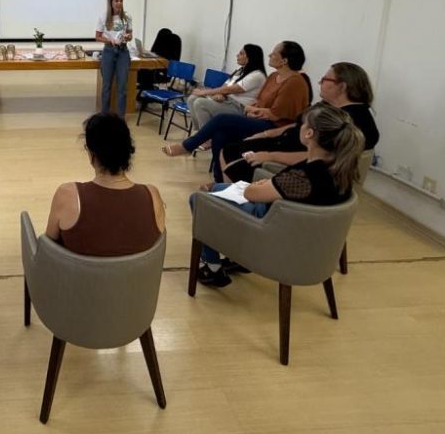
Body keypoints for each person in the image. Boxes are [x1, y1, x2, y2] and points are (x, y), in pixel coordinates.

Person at [192, 103, 364, 288]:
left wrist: (261, 186)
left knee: (199, 199)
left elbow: (252, 193)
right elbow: (282, 188)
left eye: (303, 124)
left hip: (272, 230)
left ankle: (212, 266)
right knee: (218, 187)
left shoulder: (305, 177)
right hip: (298, 231)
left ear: (309, 134)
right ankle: (238, 258)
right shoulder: (340, 168)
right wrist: (268, 185)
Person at [162, 41, 311, 178]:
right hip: (256, 117)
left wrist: (254, 110)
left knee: (220, 119)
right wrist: (253, 108)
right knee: (220, 134)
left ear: (285, 61)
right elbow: (259, 100)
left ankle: (188, 145)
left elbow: (277, 115)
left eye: (274, 53)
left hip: (275, 127)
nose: (270, 55)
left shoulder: (294, 82)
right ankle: (219, 179)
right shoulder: (273, 76)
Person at [219, 62, 379, 184]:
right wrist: (266, 134)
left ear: (342, 86)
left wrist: (270, 155)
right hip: (283, 143)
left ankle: (235, 199)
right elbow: (298, 125)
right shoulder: (329, 106)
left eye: (325, 79)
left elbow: (323, 158)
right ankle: (226, 193)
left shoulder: (352, 120)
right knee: (229, 147)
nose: (319, 83)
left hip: (292, 159)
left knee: (232, 151)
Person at [46, 113, 165, 256]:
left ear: (92, 155)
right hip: (135, 278)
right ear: (128, 152)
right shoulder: (153, 196)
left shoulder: (67, 195)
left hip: (78, 278)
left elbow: (47, 250)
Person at [186, 44, 267, 130]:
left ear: (249, 57)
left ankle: (205, 138)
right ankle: (200, 133)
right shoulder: (240, 70)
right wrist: (221, 94)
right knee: (192, 98)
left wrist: (204, 92)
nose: (237, 55)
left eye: (241, 53)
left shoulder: (257, 75)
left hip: (240, 108)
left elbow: (232, 89)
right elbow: (225, 86)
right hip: (228, 101)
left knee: (200, 103)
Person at [96, 0, 133, 114]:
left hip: (123, 52)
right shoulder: (103, 16)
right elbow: (98, 36)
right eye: (116, 0)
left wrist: (128, 37)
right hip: (109, 52)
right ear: (111, 2)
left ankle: (120, 118)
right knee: (106, 86)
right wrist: (108, 40)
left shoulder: (127, 17)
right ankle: (104, 116)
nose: (119, 3)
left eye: (121, 1)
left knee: (122, 87)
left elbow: (130, 35)